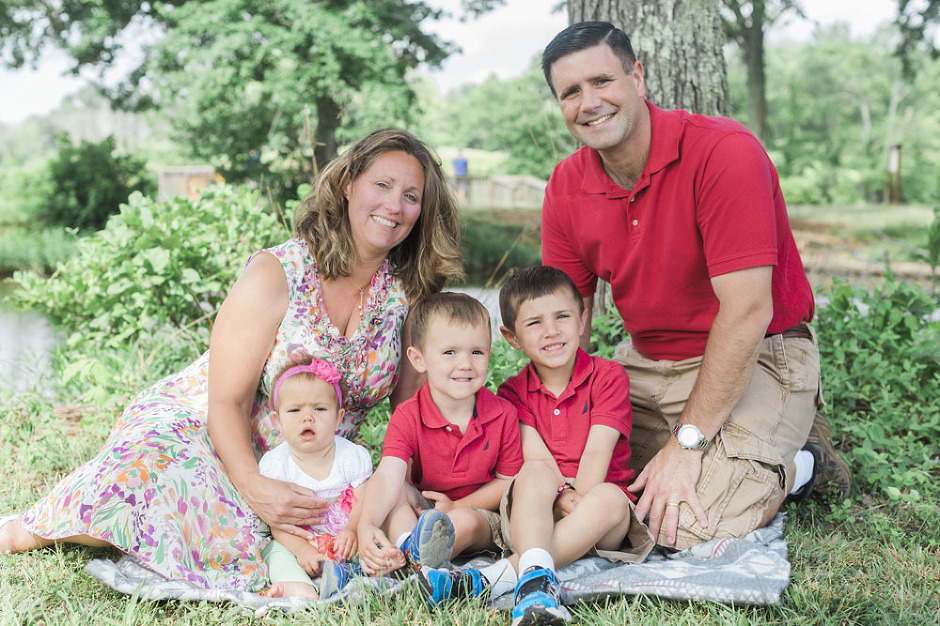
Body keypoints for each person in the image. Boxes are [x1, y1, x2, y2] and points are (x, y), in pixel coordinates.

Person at [0, 128, 463, 593]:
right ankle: (30, 530)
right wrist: (254, 487)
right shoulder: (278, 273)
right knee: (154, 477)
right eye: (381, 185)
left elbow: (408, 412)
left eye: (411, 196)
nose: (394, 206)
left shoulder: (408, 294)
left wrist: (400, 480)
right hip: (209, 426)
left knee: (346, 524)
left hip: (314, 455)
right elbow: (227, 401)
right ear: (347, 185)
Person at [537, 22, 852, 551]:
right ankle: (714, 451)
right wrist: (565, 428)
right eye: (570, 92)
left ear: (637, 77)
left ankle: (803, 464)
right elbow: (568, 324)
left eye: (602, 81)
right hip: (645, 362)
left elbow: (748, 311)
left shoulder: (723, 153)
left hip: (758, 356)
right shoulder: (566, 186)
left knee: (686, 527)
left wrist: (687, 444)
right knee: (557, 486)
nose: (589, 103)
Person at [415, 266, 653, 625]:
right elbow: (535, 455)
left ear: (582, 319)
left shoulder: (608, 376)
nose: (552, 330)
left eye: (562, 316)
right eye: (534, 323)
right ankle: (535, 581)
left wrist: (580, 497)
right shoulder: (512, 392)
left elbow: (598, 450)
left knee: (610, 497)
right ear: (511, 337)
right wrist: (557, 498)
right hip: (534, 508)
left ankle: (496, 579)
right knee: (536, 470)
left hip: (600, 516)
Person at [352, 292, 523, 585]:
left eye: (477, 352)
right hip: (424, 510)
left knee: (462, 523)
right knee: (382, 488)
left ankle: (409, 562)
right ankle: (407, 547)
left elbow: (508, 481)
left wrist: (457, 506)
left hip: (477, 512)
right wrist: (366, 525)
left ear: (489, 353)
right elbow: (391, 474)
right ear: (419, 359)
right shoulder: (408, 414)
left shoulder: (502, 413)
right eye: (450, 353)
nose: (466, 364)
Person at [260, 357, 372, 599]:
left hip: (345, 540)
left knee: (372, 544)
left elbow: (365, 500)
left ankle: (353, 574)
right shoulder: (276, 465)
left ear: (338, 417)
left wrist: (353, 530)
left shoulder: (351, 456)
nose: (307, 417)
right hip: (299, 541)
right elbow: (277, 522)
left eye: (319, 409)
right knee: (275, 551)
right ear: (278, 420)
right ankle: (298, 587)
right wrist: (301, 550)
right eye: (294, 410)